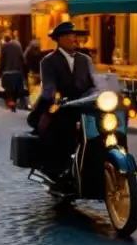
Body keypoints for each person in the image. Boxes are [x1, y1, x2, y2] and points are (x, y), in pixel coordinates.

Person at [27, 22, 98, 188]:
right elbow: (49, 86)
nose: (75, 38)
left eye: (75, 35)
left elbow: (95, 83)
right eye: (70, 35)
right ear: (60, 39)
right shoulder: (48, 61)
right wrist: (55, 98)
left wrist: (101, 94)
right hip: (62, 105)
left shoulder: (85, 60)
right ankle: (60, 169)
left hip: (83, 104)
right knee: (61, 129)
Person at [0, 34, 26, 111]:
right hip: (17, 71)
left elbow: (2, 60)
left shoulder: (4, 47)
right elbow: (22, 58)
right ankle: (16, 102)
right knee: (16, 89)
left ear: (5, 39)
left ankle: (12, 104)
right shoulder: (18, 45)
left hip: (7, 72)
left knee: (8, 90)